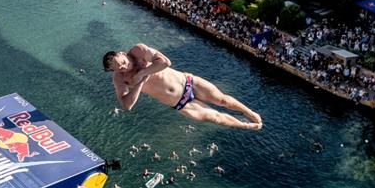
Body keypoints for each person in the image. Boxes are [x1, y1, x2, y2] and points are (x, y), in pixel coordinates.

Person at [103, 44, 262, 130]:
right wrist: (140, 83)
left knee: (222, 100)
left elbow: (165, 62)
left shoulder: (139, 50)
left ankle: (247, 111)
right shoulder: (120, 78)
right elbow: (126, 105)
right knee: (216, 118)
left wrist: (144, 72)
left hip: (187, 82)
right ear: (113, 71)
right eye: (119, 68)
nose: (124, 67)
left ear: (123, 53)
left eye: (122, 62)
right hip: (181, 104)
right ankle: (244, 125)